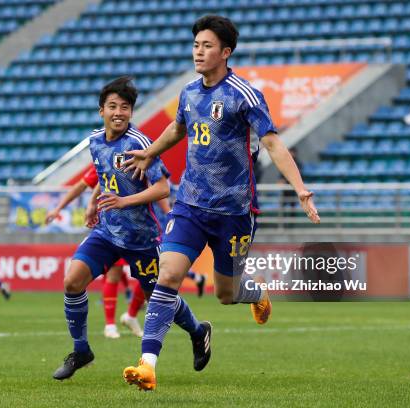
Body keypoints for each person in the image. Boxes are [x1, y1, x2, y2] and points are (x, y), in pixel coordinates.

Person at [122, 15, 320, 391]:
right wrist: (150, 153)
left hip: (234, 213)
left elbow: (274, 143)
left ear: (226, 52)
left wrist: (300, 188)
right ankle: (147, 364)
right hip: (190, 205)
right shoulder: (189, 93)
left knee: (226, 294)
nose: (199, 51)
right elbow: (178, 128)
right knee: (167, 275)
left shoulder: (243, 94)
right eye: (196, 45)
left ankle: (256, 292)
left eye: (207, 45)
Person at [52, 77, 211, 382]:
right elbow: (104, 172)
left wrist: (125, 201)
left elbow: (163, 188)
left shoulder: (138, 144)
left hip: (141, 239)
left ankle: (198, 330)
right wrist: (92, 203)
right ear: (102, 111)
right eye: (113, 106)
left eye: (125, 107)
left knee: (161, 299)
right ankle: (81, 349)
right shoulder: (96, 140)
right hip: (107, 233)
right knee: (72, 281)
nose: (119, 112)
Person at [45, 166, 146, 339]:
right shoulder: (105, 157)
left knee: (149, 275)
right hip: (112, 228)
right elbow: (82, 185)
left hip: (139, 228)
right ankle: (110, 324)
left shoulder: (136, 156)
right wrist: (59, 208)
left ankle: (131, 315)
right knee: (114, 274)